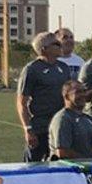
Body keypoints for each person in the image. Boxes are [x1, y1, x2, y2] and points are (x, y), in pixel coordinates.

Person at [16, 32, 73, 161]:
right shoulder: (32, 69)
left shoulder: (63, 68)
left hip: (60, 126)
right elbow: (22, 102)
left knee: (60, 164)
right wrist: (28, 129)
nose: (60, 45)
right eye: (56, 44)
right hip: (40, 127)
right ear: (44, 49)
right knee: (32, 166)